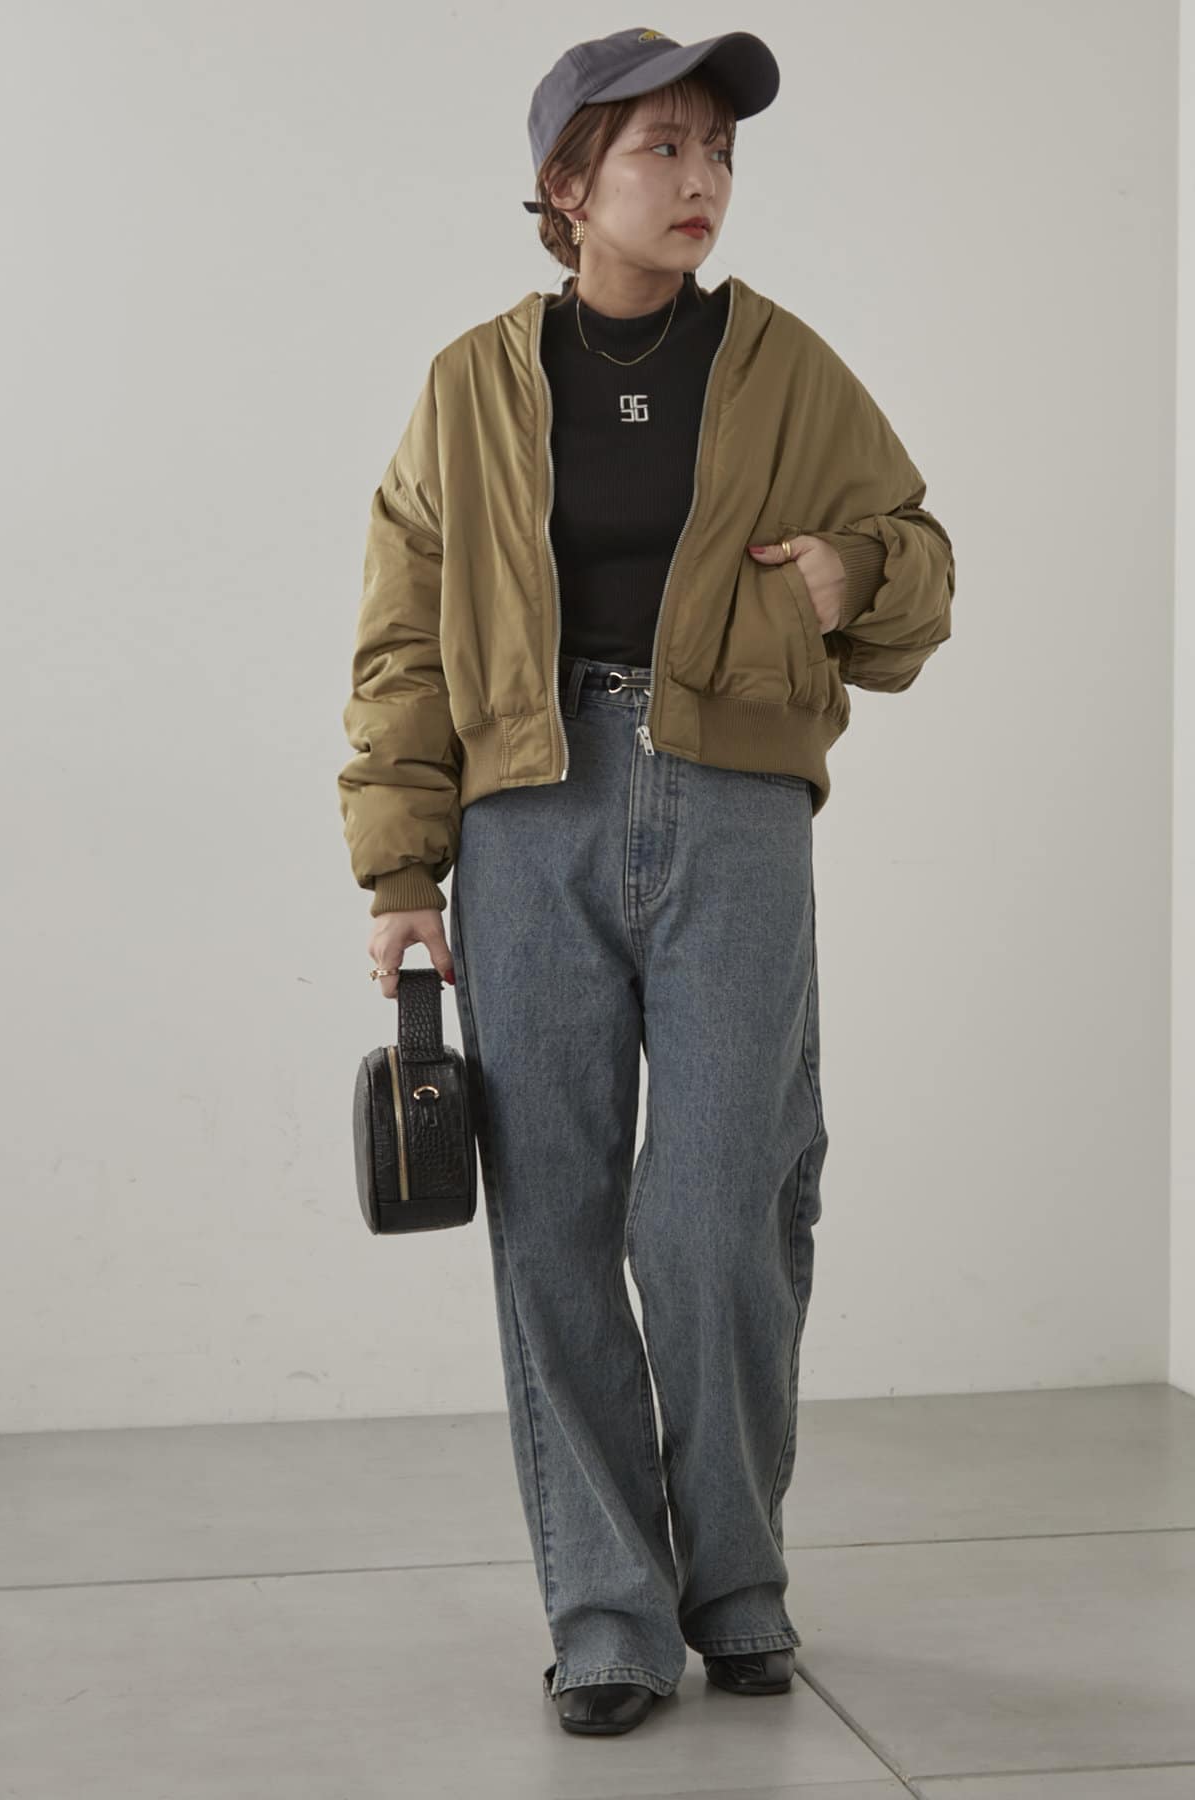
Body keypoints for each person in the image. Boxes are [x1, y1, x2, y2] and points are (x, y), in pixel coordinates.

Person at [337, 26, 956, 1738]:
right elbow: (402, 644)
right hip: (526, 817)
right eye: (661, 150)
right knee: (553, 1219)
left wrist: (851, 574)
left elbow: (921, 563)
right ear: (566, 185)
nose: (703, 182)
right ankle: (608, 1612)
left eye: (719, 152)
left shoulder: (783, 365)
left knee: (722, 1207)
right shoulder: (471, 385)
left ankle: (736, 1577)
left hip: (735, 809)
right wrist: (400, 874)